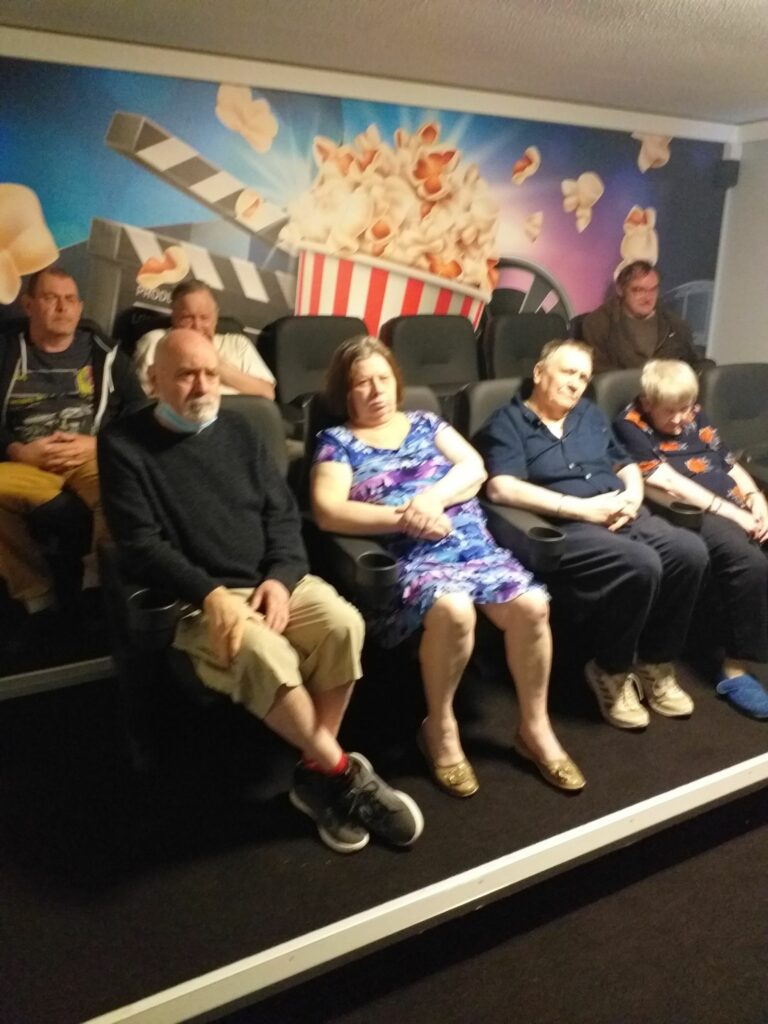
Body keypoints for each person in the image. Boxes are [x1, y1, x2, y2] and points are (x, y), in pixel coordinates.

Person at [98, 327, 422, 854]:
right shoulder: (123, 443)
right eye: (186, 374)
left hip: (270, 580)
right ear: (154, 379)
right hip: (197, 599)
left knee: (344, 624)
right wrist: (210, 595)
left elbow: (282, 516)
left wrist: (281, 578)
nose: (202, 385)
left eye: (210, 373)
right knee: (265, 654)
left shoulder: (240, 430)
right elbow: (140, 545)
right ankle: (343, 774)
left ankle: (315, 773)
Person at [311, 335, 585, 796]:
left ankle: (534, 727)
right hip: (408, 556)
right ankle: (439, 727)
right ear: (346, 392)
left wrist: (430, 500)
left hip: (472, 546)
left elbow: (474, 468)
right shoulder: (338, 443)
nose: (376, 391)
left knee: (533, 606)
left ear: (397, 382)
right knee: (454, 608)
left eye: (383, 379)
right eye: (362, 383)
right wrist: (405, 518)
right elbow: (327, 511)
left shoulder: (425, 422)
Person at [476, 339, 709, 729]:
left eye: (583, 377)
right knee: (642, 564)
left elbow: (624, 462)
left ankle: (655, 662)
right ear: (539, 373)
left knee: (690, 551)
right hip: (562, 524)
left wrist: (633, 497)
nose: (576, 384)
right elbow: (502, 488)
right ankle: (611, 669)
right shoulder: (507, 422)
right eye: (568, 372)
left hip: (620, 510)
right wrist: (580, 508)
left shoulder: (588, 414)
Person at [613, 358, 768, 719]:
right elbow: (666, 481)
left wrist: (756, 499)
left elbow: (728, 463)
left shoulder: (694, 415)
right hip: (690, 512)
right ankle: (733, 670)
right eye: (671, 411)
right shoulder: (629, 425)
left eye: (687, 408)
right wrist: (736, 514)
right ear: (648, 402)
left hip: (736, 504)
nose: (682, 418)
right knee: (749, 562)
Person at [0, 266, 144, 621]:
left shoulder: (107, 354)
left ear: (80, 308)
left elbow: (140, 414)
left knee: (121, 488)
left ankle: (97, 587)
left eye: (70, 300)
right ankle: (36, 593)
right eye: (51, 298)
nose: (62, 308)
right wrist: (17, 449)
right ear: (29, 305)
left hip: (90, 456)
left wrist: (99, 445)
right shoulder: (5, 351)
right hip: (26, 461)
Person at [133, 280, 276, 399]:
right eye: (187, 318)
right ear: (174, 317)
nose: (197, 326)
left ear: (215, 318)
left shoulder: (238, 344)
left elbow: (267, 393)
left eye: (205, 318)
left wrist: (215, 366)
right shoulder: (155, 342)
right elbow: (143, 400)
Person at [581, 261, 711, 374]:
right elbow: (598, 372)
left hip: (668, 392)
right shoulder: (598, 324)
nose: (647, 297)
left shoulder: (674, 325)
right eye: (638, 290)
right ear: (620, 290)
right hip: (623, 393)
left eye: (653, 289)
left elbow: (695, 362)